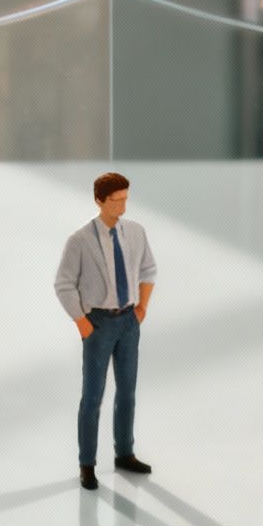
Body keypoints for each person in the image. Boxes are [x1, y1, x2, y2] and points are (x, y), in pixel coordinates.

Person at [54, 172, 156, 491]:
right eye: (116, 200)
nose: (122, 205)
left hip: (128, 321)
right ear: (100, 200)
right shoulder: (80, 240)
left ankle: (124, 452)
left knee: (127, 392)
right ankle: (87, 464)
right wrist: (83, 323)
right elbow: (63, 284)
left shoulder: (136, 233)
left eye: (126, 198)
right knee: (93, 397)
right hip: (98, 323)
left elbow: (149, 269)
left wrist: (141, 308)